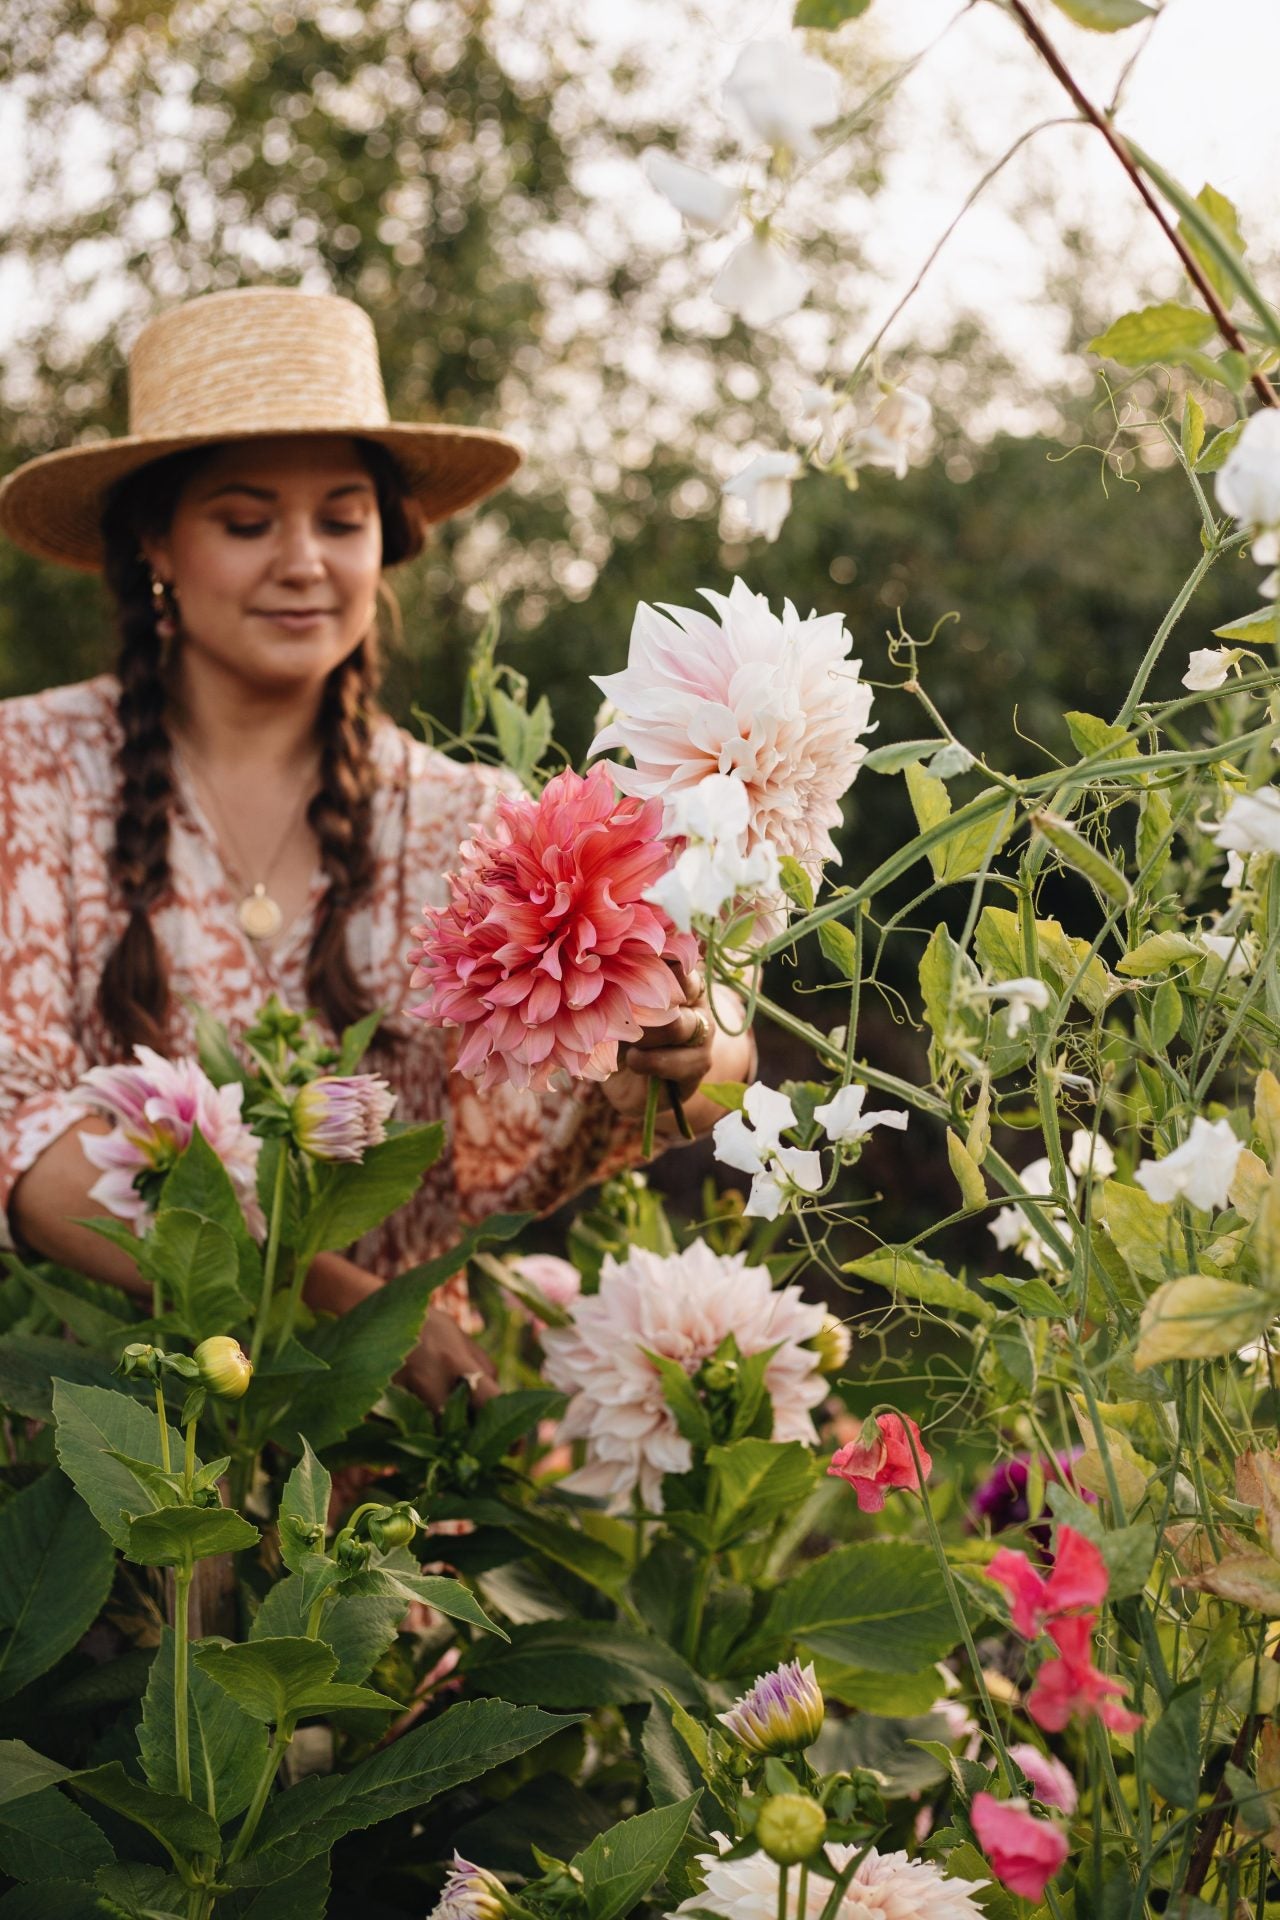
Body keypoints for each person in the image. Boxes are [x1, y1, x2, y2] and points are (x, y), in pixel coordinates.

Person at [0, 286, 754, 1406]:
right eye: (247, 522)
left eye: (341, 519)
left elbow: (646, 1075)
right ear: (156, 538)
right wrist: (347, 1306)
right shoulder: (28, 774)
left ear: (383, 542)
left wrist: (700, 1041)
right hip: (107, 1420)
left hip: (380, 1460)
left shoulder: (470, 822)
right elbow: (25, 1140)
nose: (304, 560)